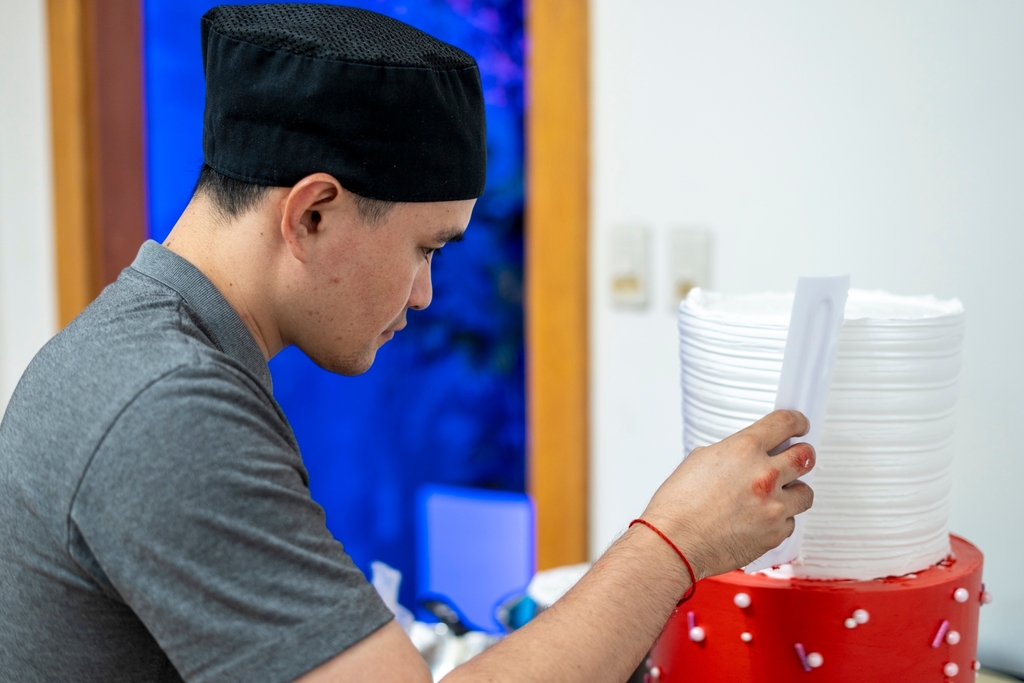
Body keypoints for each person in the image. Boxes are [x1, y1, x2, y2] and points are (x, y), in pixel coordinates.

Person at [0, 5, 814, 682]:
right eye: (426, 248)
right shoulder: (165, 408)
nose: (424, 294)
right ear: (311, 213)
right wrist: (674, 542)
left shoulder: (150, 350)